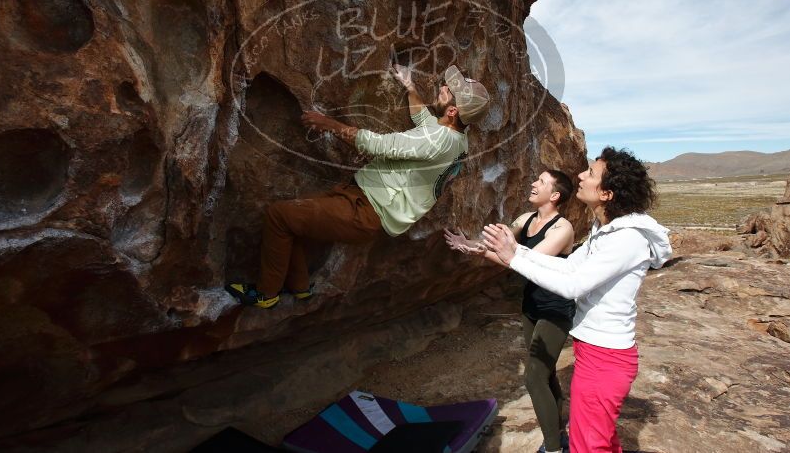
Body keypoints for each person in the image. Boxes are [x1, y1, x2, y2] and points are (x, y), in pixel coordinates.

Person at [226, 64, 491, 308]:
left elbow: (379, 145)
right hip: (364, 201)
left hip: (367, 210)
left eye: (449, 90)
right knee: (295, 223)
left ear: (453, 111)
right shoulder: (458, 139)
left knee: (278, 216)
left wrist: (328, 124)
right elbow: (424, 119)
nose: (444, 86)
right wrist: (410, 87)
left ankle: (266, 294)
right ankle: (299, 288)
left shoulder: (437, 139)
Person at [480, 147, 671, 453]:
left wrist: (513, 259)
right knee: (601, 440)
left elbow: (573, 284)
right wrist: (516, 252)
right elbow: (569, 265)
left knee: (588, 445)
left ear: (607, 194)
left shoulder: (626, 239)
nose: (581, 175)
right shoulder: (607, 231)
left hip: (605, 360)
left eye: (592, 173)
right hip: (595, 352)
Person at [445, 170, 575, 453]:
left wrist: (485, 252)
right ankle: (559, 430)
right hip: (531, 305)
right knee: (547, 372)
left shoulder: (561, 228)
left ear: (554, 195)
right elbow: (496, 243)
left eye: (540, 181)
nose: (532, 183)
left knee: (533, 376)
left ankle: (553, 448)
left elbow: (526, 261)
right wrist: (469, 245)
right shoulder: (524, 220)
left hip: (555, 308)